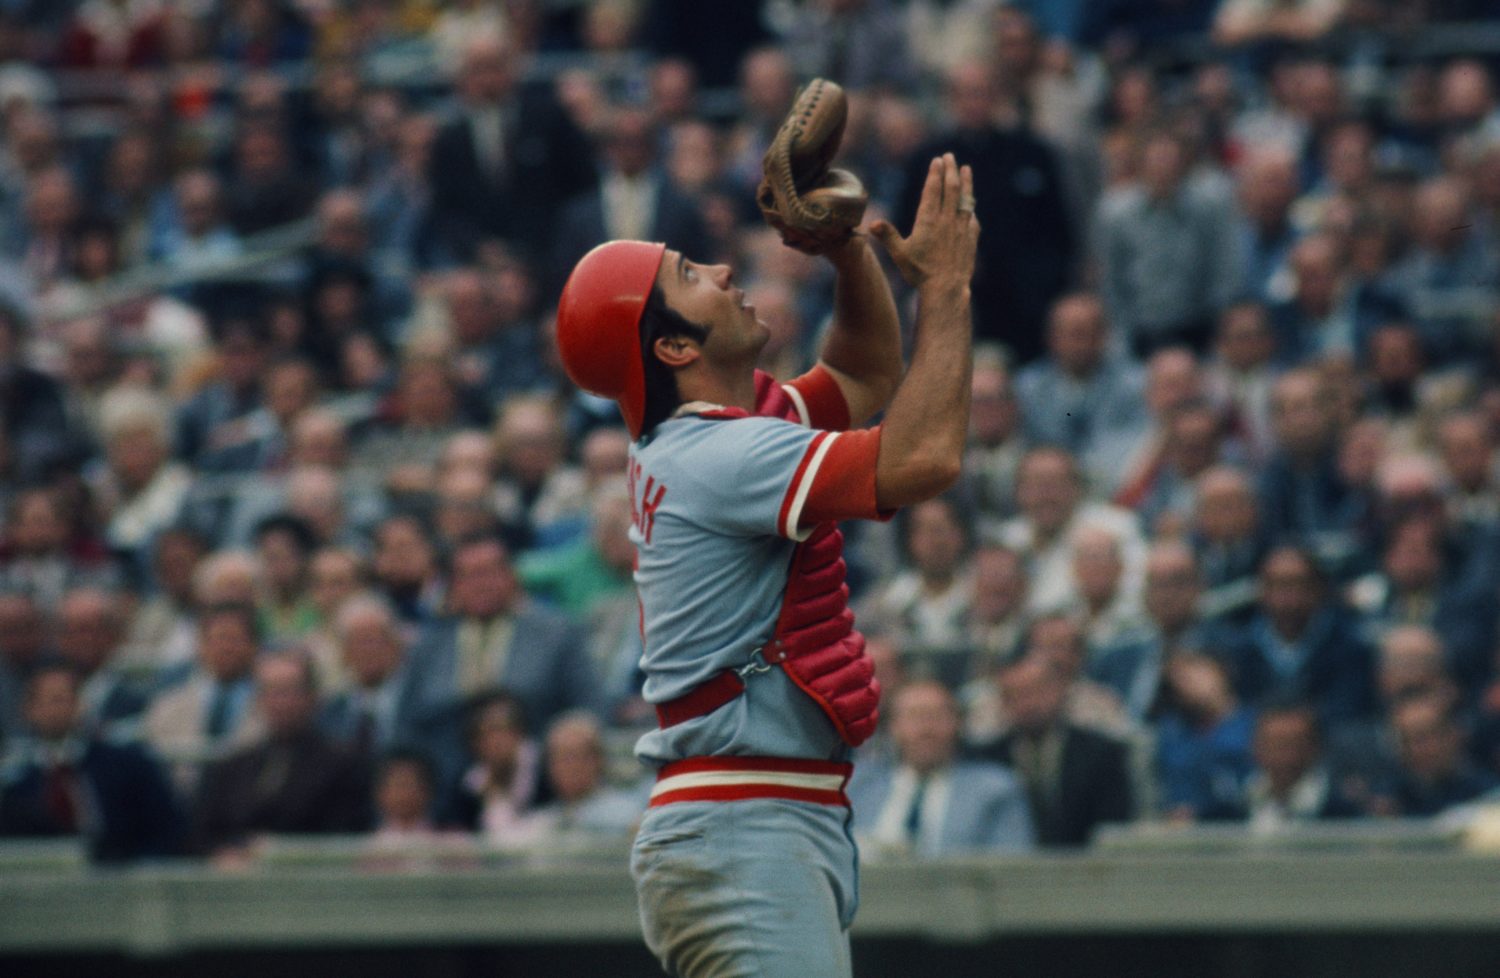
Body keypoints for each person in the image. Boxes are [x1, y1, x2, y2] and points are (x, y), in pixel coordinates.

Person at [553, 153, 978, 977]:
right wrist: (948, 289)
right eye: (687, 274)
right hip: (743, 822)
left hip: (754, 816)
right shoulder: (723, 453)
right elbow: (924, 457)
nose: (718, 266)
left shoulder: (714, 430)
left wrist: (845, 251)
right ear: (674, 345)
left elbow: (862, 372)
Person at [847, 679, 1033, 856]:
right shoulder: (856, 786)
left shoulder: (995, 789)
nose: (926, 729)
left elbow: (1012, 870)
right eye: (914, 716)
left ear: (958, 723)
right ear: (892, 726)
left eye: (938, 716)